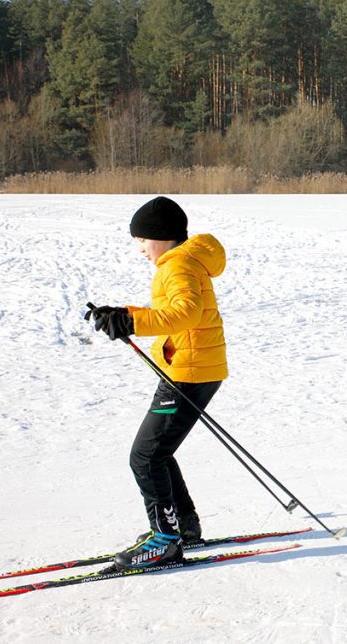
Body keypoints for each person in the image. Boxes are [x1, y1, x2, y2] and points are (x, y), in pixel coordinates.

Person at [85, 196, 227, 568]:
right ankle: (184, 527)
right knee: (157, 453)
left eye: (143, 240)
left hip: (188, 373)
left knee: (145, 457)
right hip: (195, 368)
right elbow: (174, 312)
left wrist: (132, 323)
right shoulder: (185, 261)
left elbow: (186, 312)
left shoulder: (176, 264)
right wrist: (123, 313)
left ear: (162, 236)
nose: (141, 249)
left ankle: (164, 540)